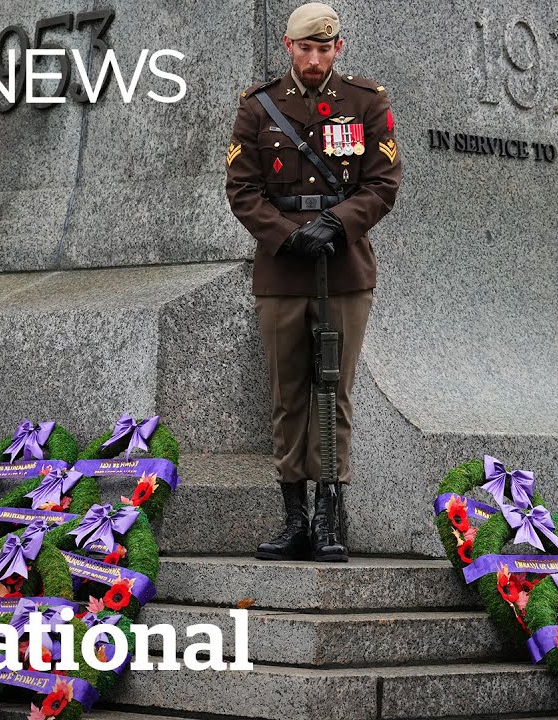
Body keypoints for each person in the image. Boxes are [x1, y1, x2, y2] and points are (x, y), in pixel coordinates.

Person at [224, 2, 402, 562]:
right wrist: (287, 235)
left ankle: (330, 514)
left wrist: (336, 224)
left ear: (338, 50)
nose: (315, 58)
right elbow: (242, 189)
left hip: (344, 269)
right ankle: (293, 516)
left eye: (325, 49)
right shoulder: (258, 108)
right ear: (288, 46)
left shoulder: (367, 102)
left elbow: (382, 182)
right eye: (306, 48)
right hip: (282, 271)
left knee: (335, 391)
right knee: (287, 394)